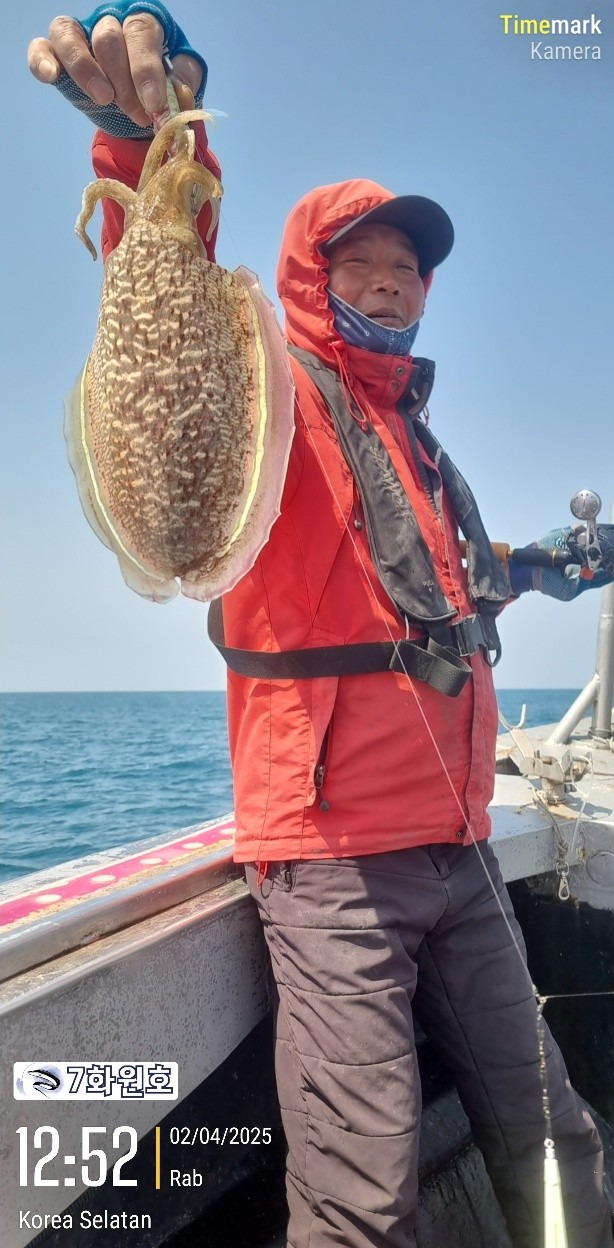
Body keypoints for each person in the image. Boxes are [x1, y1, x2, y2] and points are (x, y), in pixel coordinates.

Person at [29, 7, 614, 1246]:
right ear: (310, 277)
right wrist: (140, 139)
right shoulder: (279, 395)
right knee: (363, 1192)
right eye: (360, 262)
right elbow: (167, 281)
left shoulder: (416, 442)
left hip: (458, 846)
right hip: (335, 862)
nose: (390, 279)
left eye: (407, 266)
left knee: (553, 1135)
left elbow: (441, 591)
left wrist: (551, 566)